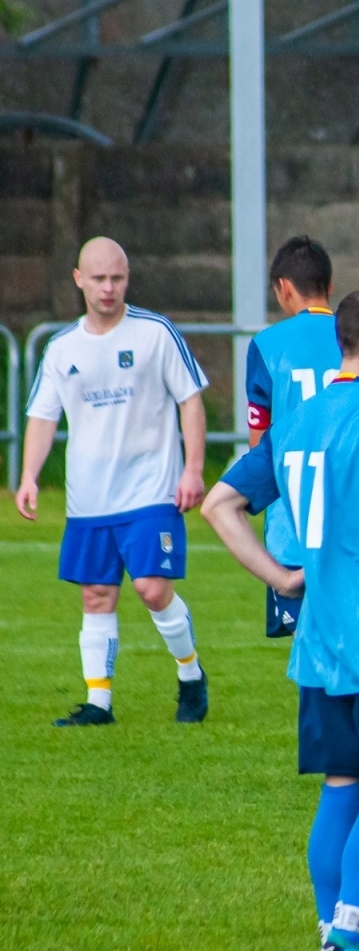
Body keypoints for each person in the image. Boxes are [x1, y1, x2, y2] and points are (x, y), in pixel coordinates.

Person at [202, 288, 359, 951]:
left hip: (320, 635)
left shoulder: (298, 422)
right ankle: (351, 941)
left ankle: (330, 938)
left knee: (340, 786)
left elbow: (219, 504)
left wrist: (281, 576)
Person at [15, 236, 211, 726]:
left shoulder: (155, 332)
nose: (108, 288)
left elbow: (190, 400)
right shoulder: (61, 348)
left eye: (117, 278)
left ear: (128, 279)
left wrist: (192, 469)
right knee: (96, 595)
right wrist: (29, 476)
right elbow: (43, 416)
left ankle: (190, 674)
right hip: (89, 498)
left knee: (151, 588)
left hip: (152, 490)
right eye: (99, 279)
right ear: (79, 279)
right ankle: (98, 703)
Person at [243, 236, 341, 637]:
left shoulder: (267, 345)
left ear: (283, 288)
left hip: (293, 523)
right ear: (329, 286)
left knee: (306, 640)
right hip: (349, 514)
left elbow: (259, 441)